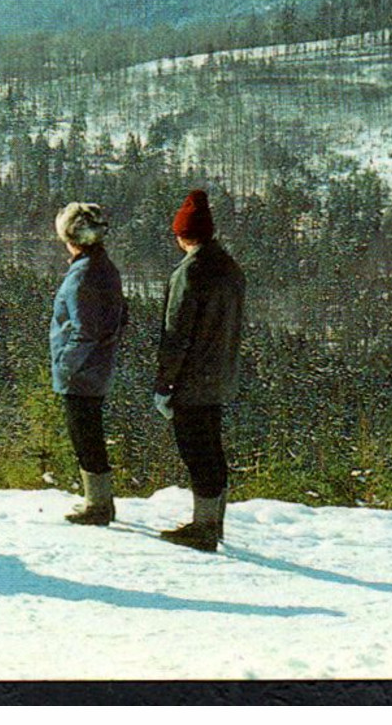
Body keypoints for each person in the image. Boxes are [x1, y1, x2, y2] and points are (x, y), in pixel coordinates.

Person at [154, 189, 245, 552]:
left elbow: (175, 334)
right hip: (222, 375)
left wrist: (164, 383)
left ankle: (204, 527)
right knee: (213, 450)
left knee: (196, 451)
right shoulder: (230, 268)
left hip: (192, 380)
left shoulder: (189, 274)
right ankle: (213, 522)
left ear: (182, 235)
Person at [49, 202, 128, 526]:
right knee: (89, 433)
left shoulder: (83, 274)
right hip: (98, 366)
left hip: (82, 371)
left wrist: (66, 365)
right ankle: (99, 502)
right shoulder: (104, 267)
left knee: (85, 436)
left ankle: (98, 505)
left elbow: (84, 328)